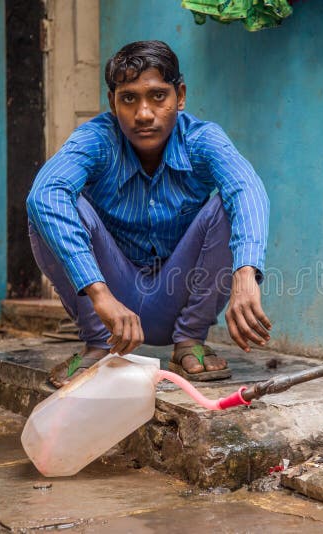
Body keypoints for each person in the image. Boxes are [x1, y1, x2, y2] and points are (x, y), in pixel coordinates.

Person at [27, 40, 271, 385]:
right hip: (111, 302)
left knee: (228, 205)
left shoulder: (202, 139)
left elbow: (247, 188)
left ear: (180, 96)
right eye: (128, 98)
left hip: (178, 293)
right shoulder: (96, 140)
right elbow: (44, 194)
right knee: (49, 207)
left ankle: (189, 342)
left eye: (158, 96)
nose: (143, 113)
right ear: (112, 103)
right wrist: (100, 294)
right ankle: (99, 344)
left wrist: (246, 274)